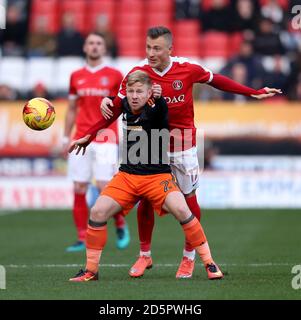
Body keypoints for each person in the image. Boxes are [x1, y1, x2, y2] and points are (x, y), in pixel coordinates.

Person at [100, 26, 282, 279]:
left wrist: (252, 92)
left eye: (157, 48)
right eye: (148, 48)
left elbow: (217, 80)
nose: (151, 53)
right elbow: (119, 102)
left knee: (188, 201)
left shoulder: (187, 68)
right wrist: (105, 102)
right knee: (144, 199)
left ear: (169, 49)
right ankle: (144, 256)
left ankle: (188, 258)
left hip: (183, 145)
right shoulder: (138, 72)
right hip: (150, 146)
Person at [68, 70, 223, 282]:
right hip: (127, 177)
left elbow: (159, 107)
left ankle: (209, 263)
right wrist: (108, 100)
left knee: (183, 211)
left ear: (149, 92)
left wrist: (157, 97)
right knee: (97, 211)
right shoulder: (125, 104)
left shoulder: (157, 107)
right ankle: (91, 271)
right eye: (130, 91)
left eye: (139, 91)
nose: (134, 95)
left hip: (157, 177)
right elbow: (115, 104)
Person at [63, 32, 130, 252]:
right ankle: (82, 238)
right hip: (80, 136)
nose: (94, 47)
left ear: (104, 48)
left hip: (105, 136)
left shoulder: (114, 75)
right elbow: (72, 108)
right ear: (84, 47)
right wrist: (66, 137)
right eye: (91, 43)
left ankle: (120, 223)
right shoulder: (76, 76)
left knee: (105, 186)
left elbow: (121, 106)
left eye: (99, 43)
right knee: (79, 186)